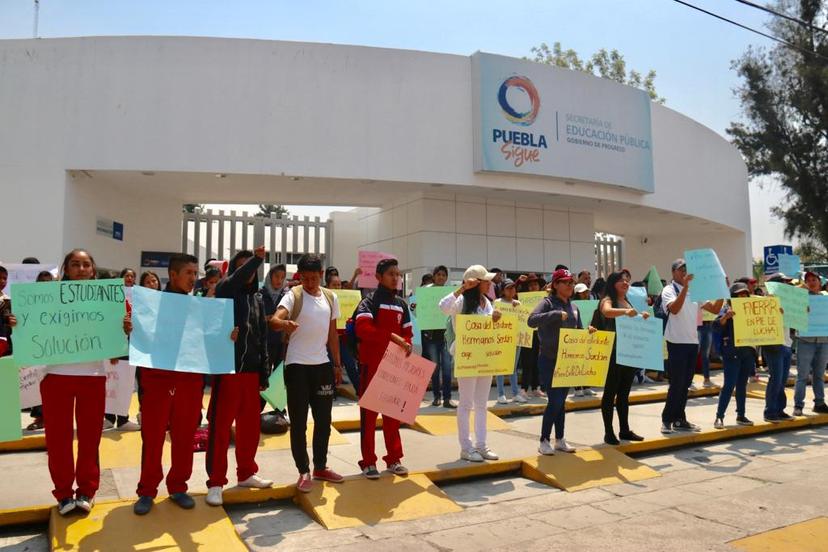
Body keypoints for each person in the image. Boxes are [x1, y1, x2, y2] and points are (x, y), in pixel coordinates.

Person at [130, 254, 230, 515]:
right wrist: (130, 328)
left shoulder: (200, 307)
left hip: (189, 380)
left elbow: (210, 341)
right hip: (157, 380)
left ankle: (178, 486)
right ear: (172, 275)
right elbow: (139, 340)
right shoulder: (151, 305)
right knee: (152, 438)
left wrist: (227, 334)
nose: (192, 278)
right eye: (188, 272)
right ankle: (147, 490)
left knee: (185, 436)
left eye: (195, 273)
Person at [30, 249, 129, 515]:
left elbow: (118, 341)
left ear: (93, 271)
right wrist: (18, 324)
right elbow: (31, 328)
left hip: (92, 378)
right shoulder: (46, 300)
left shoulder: (105, 302)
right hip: (55, 378)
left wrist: (124, 329)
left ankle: (86, 490)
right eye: (75, 264)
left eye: (86, 265)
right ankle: (63, 494)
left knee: (89, 439)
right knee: (58, 440)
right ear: (66, 270)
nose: (82, 269)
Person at [206, 247, 273, 507]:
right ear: (234, 270)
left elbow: (262, 337)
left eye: (252, 267)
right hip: (228, 371)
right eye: (243, 267)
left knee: (250, 428)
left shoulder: (257, 298)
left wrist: (264, 372)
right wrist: (256, 259)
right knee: (220, 429)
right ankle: (215, 482)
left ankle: (246, 473)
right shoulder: (225, 291)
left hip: (251, 373)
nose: (249, 272)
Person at [271, 254, 344, 493]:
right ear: (300, 276)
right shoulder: (293, 295)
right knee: (299, 423)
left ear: (321, 275)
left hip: (322, 366)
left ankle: (321, 466)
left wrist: (336, 365)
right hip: (297, 367)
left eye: (314, 278)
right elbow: (274, 320)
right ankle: (303, 471)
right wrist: (283, 324)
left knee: (324, 421)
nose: (311, 282)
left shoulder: (331, 297)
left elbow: (333, 334)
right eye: (306, 278)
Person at [355, 257, 412, 479]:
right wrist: (392, 337)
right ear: (378, 277)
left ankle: (394, 459)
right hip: (372, 366)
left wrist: (404, 343)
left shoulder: (402, 304)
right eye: (391, 274)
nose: (396, 278)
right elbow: (362, 329)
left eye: (397, 274)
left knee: (392, 416)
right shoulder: (368, 302)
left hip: (394, 369)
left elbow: (408, 333)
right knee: (368, 418)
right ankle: (368, 461)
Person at [440, 265, 502, 462]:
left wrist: (496, 319)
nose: (489, 283)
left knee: (482, 404)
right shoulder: (461, 300)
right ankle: (466, 447)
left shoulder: (488, 302)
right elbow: (443, 307)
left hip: (485, 357)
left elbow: (491, 329)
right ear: (475, 282)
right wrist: (462, 288)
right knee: (466, 404)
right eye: (485, 280)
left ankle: (481, 445)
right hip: (466, 357)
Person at [660, 259, 724, 434]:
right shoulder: (668, 290)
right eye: (681, 269)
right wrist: (686, 288)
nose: (684, 272)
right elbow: (674, 309)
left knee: (685, 384)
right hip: (676, 342)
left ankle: (680, 419)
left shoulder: (696, 291)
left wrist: (721, 291)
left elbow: (715, 309)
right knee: (676, 383)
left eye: (686, 270)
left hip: (692, 342)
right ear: (673, 272)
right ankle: (666, 420)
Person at [528, 268, 588, 455]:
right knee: (554, 400)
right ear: (555, 285)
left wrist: (589, 332)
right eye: (565, 282)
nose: (570, 286)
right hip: (548, 359)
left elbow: (579, 331)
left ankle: (560, 439)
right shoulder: (546, 303)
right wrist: (554, 314)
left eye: (571, 282)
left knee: (561, 402)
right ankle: (544, 440)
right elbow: (531, 321)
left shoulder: (574, 307)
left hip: (567, 361)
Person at [596, 270, 649, 444]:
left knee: (624, 394)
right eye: (621, 280)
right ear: (613, 283)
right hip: (612, 353)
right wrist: (626, 313)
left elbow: (633, 321)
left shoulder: (627, 301)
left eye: (627, 280)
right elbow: (607, 312)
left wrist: (643, 317)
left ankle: (624, 430)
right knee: (610, 393)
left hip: (628, 353)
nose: (625, 283)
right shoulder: (608, 300)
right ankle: (608, 432)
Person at [710, 282, 758, 429]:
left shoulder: (752, 309)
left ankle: (741, 415)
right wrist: (726, 317)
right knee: (729, 385)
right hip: (732, 352)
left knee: (742, 385)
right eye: (739, 294)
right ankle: (719, 416)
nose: (743, 296)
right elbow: (715, 326)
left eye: (745, 294)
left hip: (747, 352)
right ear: (733, 296)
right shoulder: (726, 309)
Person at [793, 271, 828, 416]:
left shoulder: (825, 298)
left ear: (820, 282)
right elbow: (791, 294)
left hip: (823, 341)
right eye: (809, 280)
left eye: (814, 280)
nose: (812, 282)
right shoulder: (801, 298)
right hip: (805, 341)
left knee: (819, 375)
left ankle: (819, 403)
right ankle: (798, 405)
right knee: (802, 375)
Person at [421, 265, 455, 408]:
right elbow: (417, 311)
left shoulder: (451, 293)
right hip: (431, 336)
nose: (441, 277)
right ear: (434, 276)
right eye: (438, 274)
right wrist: (415, 306)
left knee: (447, 369)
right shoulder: (425, 292)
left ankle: (447, 398)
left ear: (446, 277)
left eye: (443, 275)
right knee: (434, 368)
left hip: (446, 336)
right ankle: (436, 397)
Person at [763, 272, 796, 422]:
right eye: (784, 282)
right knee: (776, 378)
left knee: (782, 380)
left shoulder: (788, 301)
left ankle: (779, 409)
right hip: (774, 344)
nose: (787, 285)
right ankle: (770, 412)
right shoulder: (768, 301)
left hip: (787, 343)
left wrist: (802, 312)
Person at [494, 279, 522, 403]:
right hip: (501, 339)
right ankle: (501, 394)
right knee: (500, 367)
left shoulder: (518, 304)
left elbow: (522, 321)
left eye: (513, 288)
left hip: (515, 339)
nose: (511, 290)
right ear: (503, 290)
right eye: (508, 288)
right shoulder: (497, 303)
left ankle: (515, 393)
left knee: (513, 368)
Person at [518, 273, 544, 400]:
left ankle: (536, 388)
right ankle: (523, 388)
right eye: (531, 285)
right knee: (527, 362)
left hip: (539, 332)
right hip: (526, 332)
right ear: (527, 287)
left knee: (537, 362)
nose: (533, 287)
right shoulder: (521, 299)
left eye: (535, 284)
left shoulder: (544, 299)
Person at [0, 266, 11, 358]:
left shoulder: (7, 300)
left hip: (3, 342)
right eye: (0, 278)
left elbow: (8, 322)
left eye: (5, 278)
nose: (2, 281)